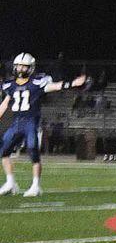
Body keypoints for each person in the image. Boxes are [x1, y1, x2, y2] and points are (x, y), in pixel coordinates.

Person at [0, 53, 86, 196]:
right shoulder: (10, 85)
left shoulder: (37, 83)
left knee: (33, 152)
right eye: (18, 66)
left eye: (23, 66)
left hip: (30, 123)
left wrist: (72, 84)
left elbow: (55, 86)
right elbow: (4, 104)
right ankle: (10, 183)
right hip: (16, 123)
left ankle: (36, 185)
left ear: (31, 68)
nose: (20, 69)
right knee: (4, 152)